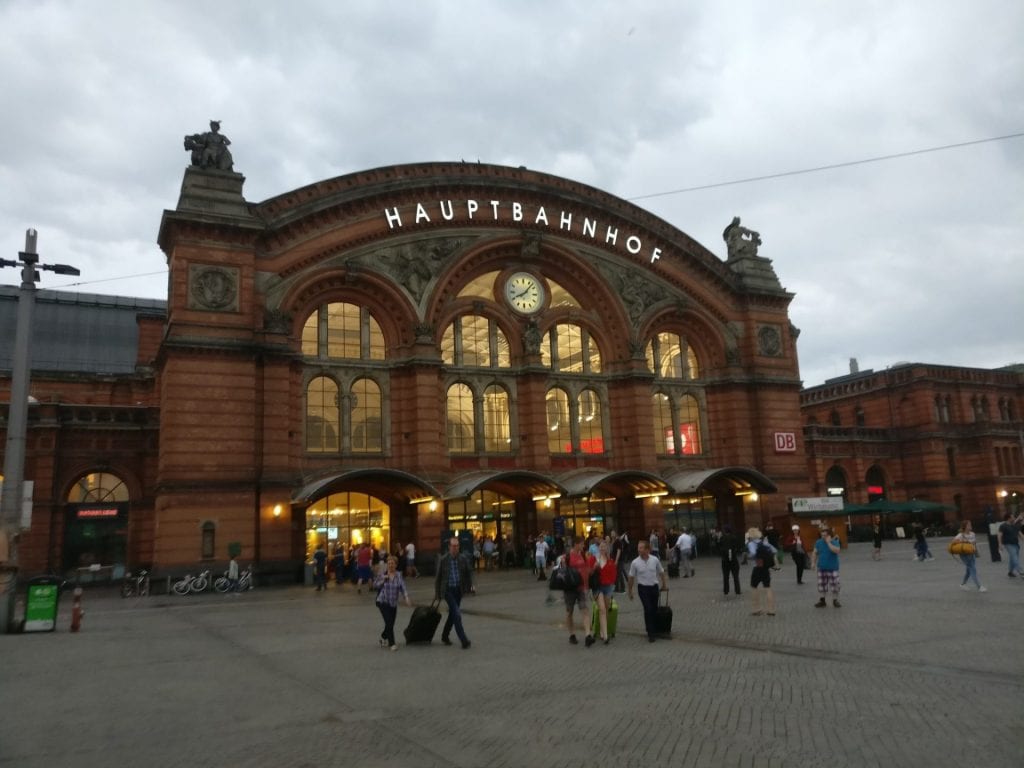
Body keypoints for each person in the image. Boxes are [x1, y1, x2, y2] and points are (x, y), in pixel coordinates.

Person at [435, 536, 475, 649]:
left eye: (457, 546)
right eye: (453, 546)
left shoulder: (462, 558)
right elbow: (438, 578)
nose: (455, 548)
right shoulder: (443, 559)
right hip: (448, 590)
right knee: (457, 614)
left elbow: (469, 572)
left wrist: (472, 584)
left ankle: (444, 635)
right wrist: (437, 594)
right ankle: (464, 640)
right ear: (449, 547)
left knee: (453, 614)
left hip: (459, 590)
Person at [627, 540, 668, 643]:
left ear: (647, 549)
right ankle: (651, 633)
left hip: (654, 587)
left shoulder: (654, 560)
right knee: (648, 608)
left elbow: (661, 572)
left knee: (653, 609)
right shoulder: (635, 562)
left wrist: (664, 584)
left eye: (641, 548)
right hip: (643, 588)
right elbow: (631, 577)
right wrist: (630, 590)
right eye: (638, 547)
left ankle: (653, 628)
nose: (639, 549)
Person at [373, 555, 412, 650]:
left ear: (396, 565)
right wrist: (383, 580)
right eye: (389, 563)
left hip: (393, 603)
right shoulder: (383, 574)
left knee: (390, 624)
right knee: (389, 622)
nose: (390, 565)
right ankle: (392, 644)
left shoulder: (399, 575)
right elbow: (375, 585)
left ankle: (383, 638)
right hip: (382, 601)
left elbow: (403, 587)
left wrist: (406, 597)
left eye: (392, 563)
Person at [563, 539, 593, 646]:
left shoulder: (583, 555)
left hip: (581, 588)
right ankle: (572, 634)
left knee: (584, 610)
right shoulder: (567, 557)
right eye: (581, 544)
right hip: (570, 589)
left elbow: (587, 570)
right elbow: (563, 572)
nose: (583, 546)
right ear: (576, 544)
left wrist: (587, 586)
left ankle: (588, 635)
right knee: (569, 612)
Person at [591, 541, 617, 645]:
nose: (602, 548)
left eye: (604, 547)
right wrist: (594, 568)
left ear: (607, 549)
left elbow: (614, 574)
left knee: (605, 609)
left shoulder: (610, 560)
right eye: (601, 547)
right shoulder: (594, 559)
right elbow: (589, 573)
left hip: (608, 587)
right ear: (598, 548)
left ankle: (602, 630)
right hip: (597, 587)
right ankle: (606, 636)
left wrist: (612, 584)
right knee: (601, 609)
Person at [746, 528, 777, 616]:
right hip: (766, 568)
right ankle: (771, 610)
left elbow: (753, 553)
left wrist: (749, 557)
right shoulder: (764, 542)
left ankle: (757, 609)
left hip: (757, 567)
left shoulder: (751, 543)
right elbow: (774, 550)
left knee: (754, 587)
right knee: (768, 587)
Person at [952, 520, 986, 592]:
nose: (970, 526)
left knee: (969, 570)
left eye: (970, 524)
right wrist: (964, 541)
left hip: (972, 553)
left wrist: (976, 552)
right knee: (973, 569)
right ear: (965, 527)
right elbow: (953, 542)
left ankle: (963, 584)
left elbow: (974, 544)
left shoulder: (972, 534)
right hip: (964, 555)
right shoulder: (960, 535)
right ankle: (979, 586)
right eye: (969, 525)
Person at [813, 527, 842, 608]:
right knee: (821, 585)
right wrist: (813, 563)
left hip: (833, 568)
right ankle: (822, 601)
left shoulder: (835, 541)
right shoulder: (818, 542)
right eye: (822, 535)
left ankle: (835, 600)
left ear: (829, 535)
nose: (823, 537)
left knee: (835, 585)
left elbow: (837, 551)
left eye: (825, 535)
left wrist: (829, 543)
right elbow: (815, 552)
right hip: (821, 568)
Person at [719, 525, 742, 596]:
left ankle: (726, 590)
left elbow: (719, 547)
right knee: (735, 576)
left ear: (725, 531)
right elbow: (737, 548)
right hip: (733, 559)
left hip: (725, 560)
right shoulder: (734, 537)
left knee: (725, 576)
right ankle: (737, 590)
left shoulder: (722, 538)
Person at [997, 512, 1022, 577]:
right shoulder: (1003, 526)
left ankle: (1010, 572)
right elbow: (999, 535)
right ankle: (1021, 571)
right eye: (1013, 517)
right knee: (1014, 557)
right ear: (1009, 518)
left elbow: (1020, 534)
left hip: (1016, 544)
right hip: (1008, 544)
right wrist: (1000, 544)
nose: (1014, 518)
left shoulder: (1014, 525)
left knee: (1012, 558)